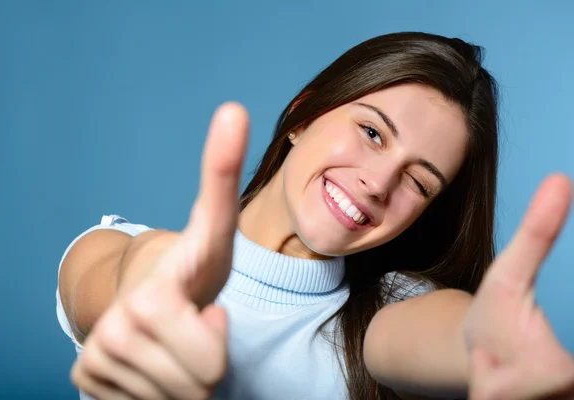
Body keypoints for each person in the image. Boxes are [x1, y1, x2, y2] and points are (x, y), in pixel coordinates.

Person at [56, 32, 574, 400]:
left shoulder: (389, 310)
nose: (378, 182)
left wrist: (483, 344)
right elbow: (120, 276)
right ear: (303, 115)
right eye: (372, 132)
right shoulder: (116, 246)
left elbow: (430, 335)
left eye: (418, 181)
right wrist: (153, 294)